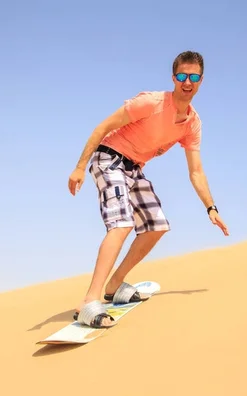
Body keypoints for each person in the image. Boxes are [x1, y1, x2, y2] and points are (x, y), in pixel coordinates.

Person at [67, 50, 229, 328]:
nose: (187, 82)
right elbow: (104, 126)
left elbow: (196, 171)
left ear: (201, 80)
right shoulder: (151, 103)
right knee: (122, 223)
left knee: (157, 225)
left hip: (133, 168)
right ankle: (90, 301)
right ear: (173, 78)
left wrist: (211, 207)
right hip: (109, 158)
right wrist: (80, 166)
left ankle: (114, 285)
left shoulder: (192, 123)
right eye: (181, 76)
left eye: (193, 77)